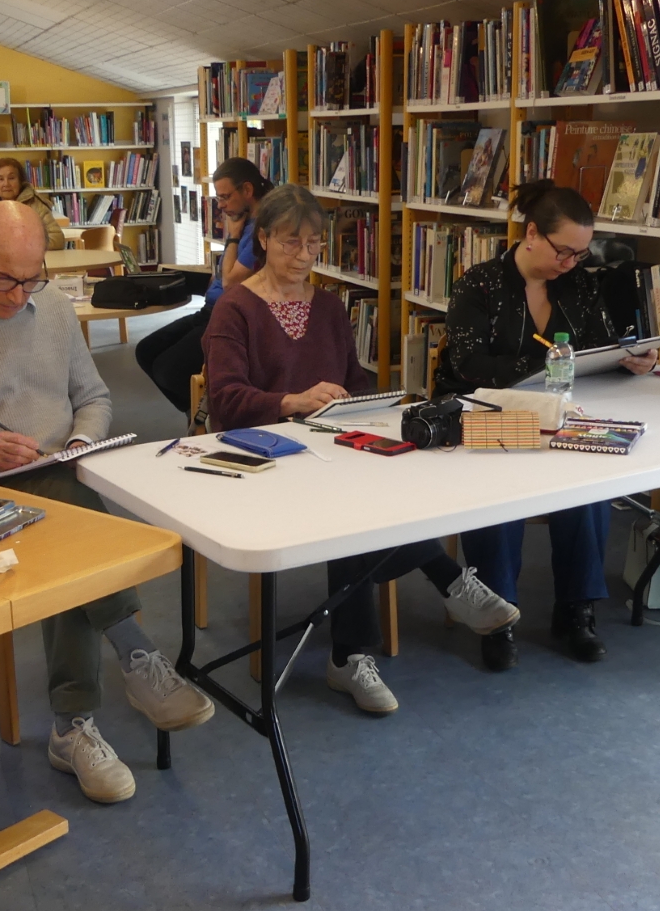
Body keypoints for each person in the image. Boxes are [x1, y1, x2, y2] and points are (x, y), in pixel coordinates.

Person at [0, 200, 214, 804]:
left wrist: (81, 441)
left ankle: (73, 726)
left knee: (62, 518)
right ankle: (135, 655)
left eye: (31, 278)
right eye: (3, 280)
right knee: (68, 514)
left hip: (59, 476)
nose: (18, 296)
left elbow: (93, 397)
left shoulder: (56, 309)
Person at [203, 185, 519, 712]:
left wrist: (368, 403)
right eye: (290, 242)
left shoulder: (328, 306)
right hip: (263, 452)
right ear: (264, 239)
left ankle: (351, 656)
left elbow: (353, 380)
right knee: (348, 508)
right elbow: (226, 400)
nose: (304, 255)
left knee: (384, 483)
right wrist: (292, 401)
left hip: (330, 446)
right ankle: (434, 592)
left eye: (313, 243)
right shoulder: (234, 309)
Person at [434, 180, 659, 670]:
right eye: (564, 251)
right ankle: (497, 615)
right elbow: (469, 364)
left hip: (558, 414)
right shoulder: (479, 284)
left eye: (581, 254)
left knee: (588, 480)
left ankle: (576, 609)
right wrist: (545, 365)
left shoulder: (579, 285)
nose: (571, 263)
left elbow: (600, 347)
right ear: (532, 233)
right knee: (498, 485)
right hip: (489, 415)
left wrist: (631, 359)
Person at [136, 157, 271, 416]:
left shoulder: (261, 231)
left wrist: (232, 237)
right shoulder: (243, 220)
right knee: (145, 351)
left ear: (247, 190)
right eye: (218, 198)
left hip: (228, 317)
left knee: (167, 370)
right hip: (209, 309)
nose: (221, 205)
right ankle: (197, 413)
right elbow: (222, 276)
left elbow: (230, 282)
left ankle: (210, 412)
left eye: (225, 197)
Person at [0, 157, 65, 250]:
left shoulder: (36, 205)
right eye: (0, 179)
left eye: (11, 178)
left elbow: (57, 239)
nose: (6, 184)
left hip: (29, 257)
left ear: (20, 181)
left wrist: (22, 245)